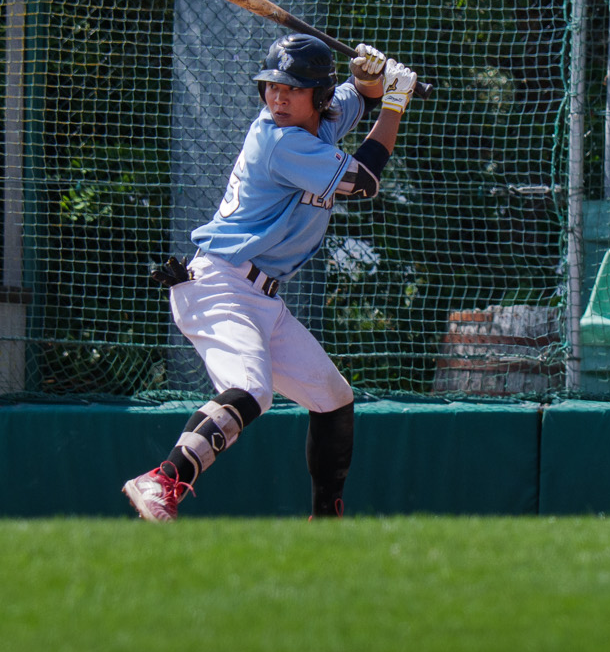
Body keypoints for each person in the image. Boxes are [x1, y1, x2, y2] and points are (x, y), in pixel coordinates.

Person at [122, 33, 418, 522]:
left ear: (318, 97)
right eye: (272, 86)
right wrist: (395, 103)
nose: (278, 98)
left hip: (261, 298)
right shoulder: (279, 139)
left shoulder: (321, 118)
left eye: (293, 88)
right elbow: (365, 182)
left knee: (333, 398)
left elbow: (356, 97)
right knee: (253, 391)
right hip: (219, 284)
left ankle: (326, 524)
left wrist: (368, 79)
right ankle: (162, 480)